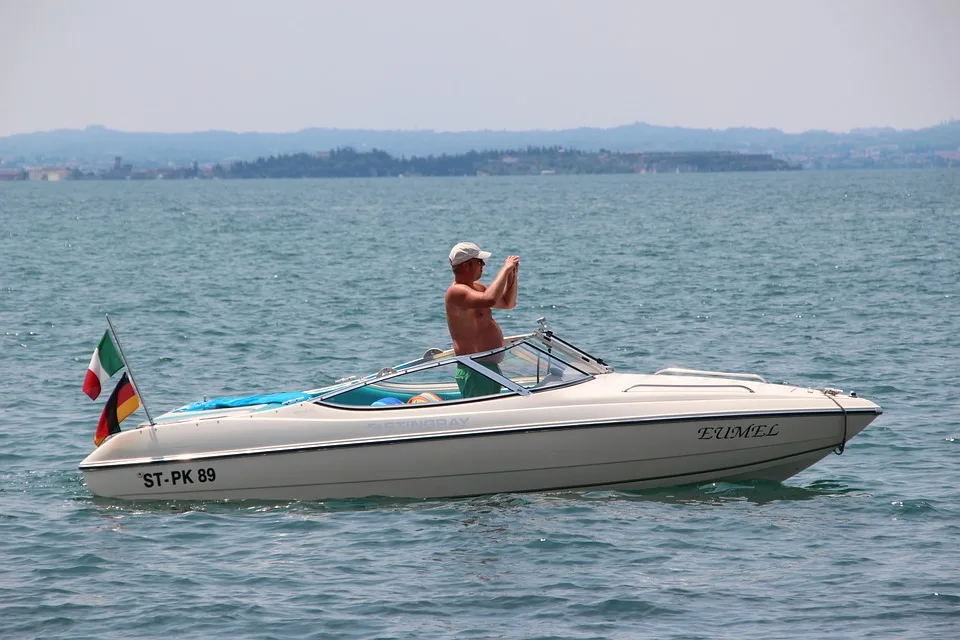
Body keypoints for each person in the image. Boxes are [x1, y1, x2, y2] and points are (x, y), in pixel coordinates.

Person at [444, 242, 519, 399]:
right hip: (475, 370)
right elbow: (489, 299)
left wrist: (512, 275)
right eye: (479, 261)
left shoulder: (476, 287)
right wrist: (505, 269)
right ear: (467, 265)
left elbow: (507, 303)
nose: (483, 264)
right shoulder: (456, 292)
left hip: (486, 368)